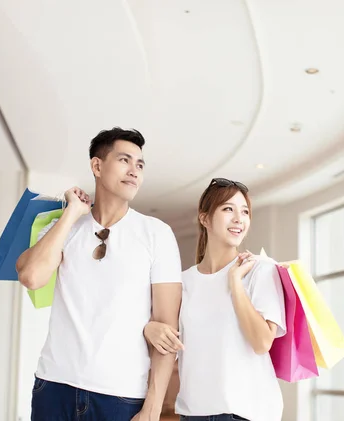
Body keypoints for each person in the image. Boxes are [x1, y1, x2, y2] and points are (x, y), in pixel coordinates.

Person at [16, 127, 182, 421]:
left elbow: (166, 329)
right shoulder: (63, 229)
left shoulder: (157, 234)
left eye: (140, 164)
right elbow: (31, 276)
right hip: (53, 386)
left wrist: (153, 409)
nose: (134, 171)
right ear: (97, 165)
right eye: (124, 160)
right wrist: (71, 213)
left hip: (120, 395)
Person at [144, 178, 286, 421]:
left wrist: (235, 284)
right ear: (204, 218)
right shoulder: (183, 282)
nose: (239, 219)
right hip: (193, 413)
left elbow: (262, 342)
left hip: (245, 413)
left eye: (245, 212)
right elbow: (168, 346)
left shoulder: (260, 269)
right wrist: (150, 329)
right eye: (228, 209)